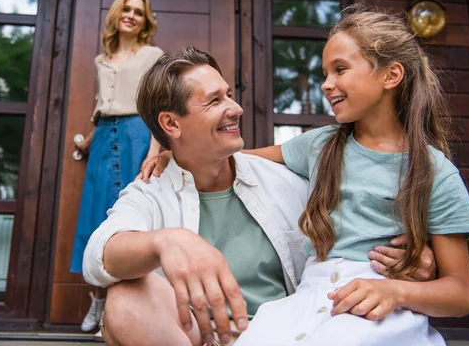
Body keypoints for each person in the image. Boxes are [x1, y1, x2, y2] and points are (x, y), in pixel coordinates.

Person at [83, 46, 437, 346]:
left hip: (291, 335)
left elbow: (358, 225)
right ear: (171, 125)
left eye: (229, 95)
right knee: (124, 302)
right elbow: (98, 256)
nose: (235, 109)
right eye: (214, 101)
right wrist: (166, 242)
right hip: (199, 339)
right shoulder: (152, 189)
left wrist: (414, 259)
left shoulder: (284, 179)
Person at [231, 4, 469, 345]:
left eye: (340, 70)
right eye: (325, 73)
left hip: (381, 306)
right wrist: (176, 152)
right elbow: (235, 160)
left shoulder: (434, 171)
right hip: (308, 299)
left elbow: (461, 293)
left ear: (391, 76)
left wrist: (395, 292)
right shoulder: (319, 145)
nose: (326, 84)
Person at [70, 0, 164, 333]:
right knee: (95, 215)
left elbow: (155, 106)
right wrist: (86, 143)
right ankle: (98, 299)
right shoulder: (100, 60)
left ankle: (121, 310)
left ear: (144, 22)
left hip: (136, 134)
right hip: (103, 140)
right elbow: (102, 109)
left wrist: (154, 150)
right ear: (116, 15)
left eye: (139, 12)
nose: (131, 15)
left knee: (130, 218)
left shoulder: (153, 55)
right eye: (126, 9)